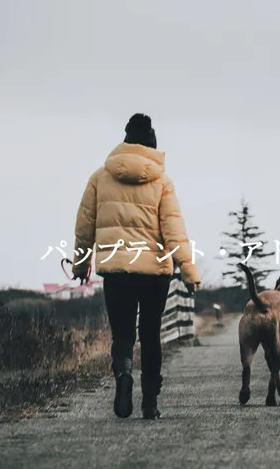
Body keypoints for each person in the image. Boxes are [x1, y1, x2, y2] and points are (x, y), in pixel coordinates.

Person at [71, 113, 201, 420]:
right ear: (152, 144)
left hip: (116, 271)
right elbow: (173, 230)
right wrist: (188, 270)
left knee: (123, 335)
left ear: (125, 141)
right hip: (154, 273)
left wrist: (80, 265)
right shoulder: (162, 182)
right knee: (151, 333)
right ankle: (150, 403)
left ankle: (124, 377)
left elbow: (84, 227)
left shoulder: (100, 177)